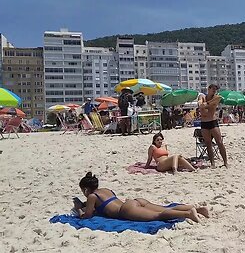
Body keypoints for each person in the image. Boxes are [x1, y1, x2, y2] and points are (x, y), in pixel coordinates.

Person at [74, 172, 209, 222]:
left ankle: (188, 213)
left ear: (86, 189)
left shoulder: (92, 196)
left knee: (159, 215)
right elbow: (103, 203)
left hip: (125, 210)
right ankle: (197, 209)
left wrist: (79, 210)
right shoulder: (105, 190)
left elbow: (88, 216)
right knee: (162, 208)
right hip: (135, 201)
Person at [198, 84, 228, 168]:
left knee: (219, 142)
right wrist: (202, 104)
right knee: (208, 144)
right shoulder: (202, 96)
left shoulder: (217, 97)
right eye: (213, 89)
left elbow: (205, 105)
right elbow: (200, 104)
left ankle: (225, 162)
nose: (214, 91)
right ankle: (212, 163)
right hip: (204, 122)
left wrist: (205, 104)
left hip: (212, 121)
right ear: (209, 89)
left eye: (216, 89)